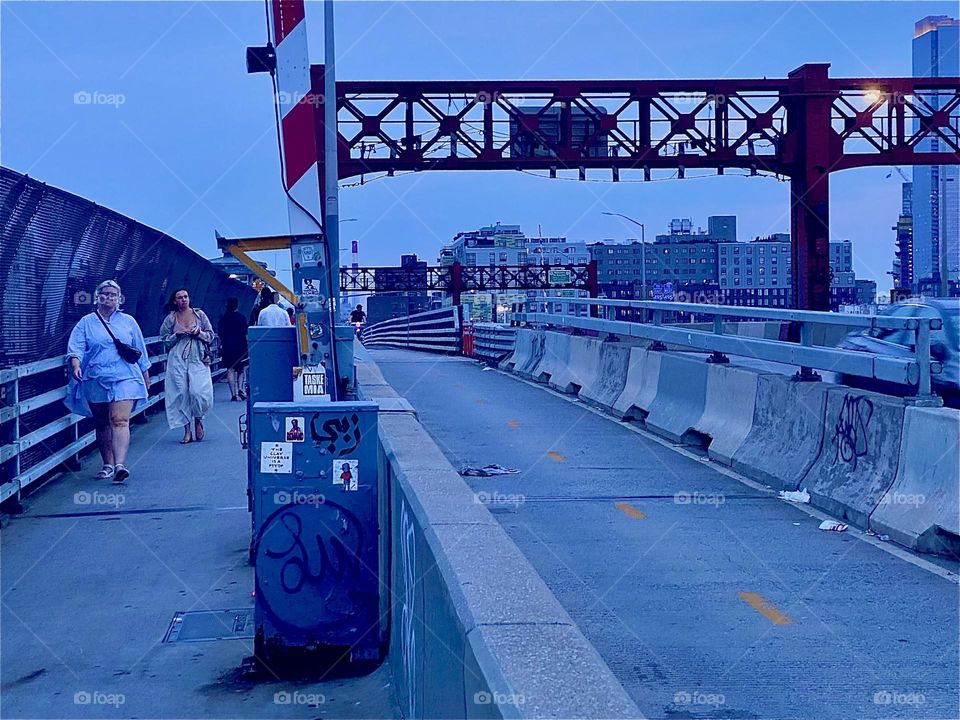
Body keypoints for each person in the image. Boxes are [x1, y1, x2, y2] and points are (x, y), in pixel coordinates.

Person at [65, 280, 151, 484]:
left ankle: (120, 465)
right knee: (102, 422)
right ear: (97, 296)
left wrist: (145, 375)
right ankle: (107, 464)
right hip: (95, 377)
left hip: (125, 376)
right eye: (104, 294)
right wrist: (76, 364)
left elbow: (140, 350)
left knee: (119, 419)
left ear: (119, 298)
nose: (108, 297)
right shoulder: (86, 322)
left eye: (113, 294)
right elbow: (75, 347)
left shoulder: (128, 321)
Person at [160, 289, 215, 443]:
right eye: (179, 297)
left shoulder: (199, 315)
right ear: (174, 301)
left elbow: (211, 336)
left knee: (198, 392)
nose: (183, 300)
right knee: (180, 393)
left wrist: (199, 333)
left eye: (185, 297)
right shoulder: (171, 318)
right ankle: (187, 430)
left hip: (197, 356)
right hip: (177, 357)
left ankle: (198, 419)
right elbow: (163, 339)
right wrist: (176, 335)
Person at [218, 297, 248, 402]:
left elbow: (220, 333)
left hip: (227, 347)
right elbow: (245, 332)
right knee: (241, 369)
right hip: (240, 346)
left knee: (230, 370)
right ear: (237, 305)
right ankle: (240, 388)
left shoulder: (223, 318)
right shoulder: (241, 317)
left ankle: (233, 394)